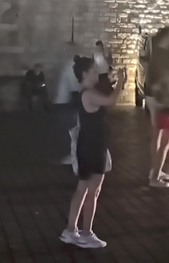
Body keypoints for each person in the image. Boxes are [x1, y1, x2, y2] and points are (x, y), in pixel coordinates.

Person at [59, 56, 127, 250]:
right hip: (93, 146)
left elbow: (107, 95)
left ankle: (71, 230)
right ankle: (86, 233)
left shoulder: (87, 92)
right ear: (86, 74)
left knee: (83, 188)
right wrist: (121, 82)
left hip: (89, 144)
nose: (98, 74)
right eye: (95, 71)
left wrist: (116, 82)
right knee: (92, 191)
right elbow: (111, 101)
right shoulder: (88, 94)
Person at [145, 27, 169, 188]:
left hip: (160, 99)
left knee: (160, 137)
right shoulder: (163, 56)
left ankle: (156, 170)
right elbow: (165, 79)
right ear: (164, 38)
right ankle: (155, 172)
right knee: (160, 137)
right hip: (162, 100)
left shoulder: (159, 54)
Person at [53, 45, 82, 165]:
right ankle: (70, 155)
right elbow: (75, 90)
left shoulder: (68, 66)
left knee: (67, 130)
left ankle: (70, 155)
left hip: (64, 102)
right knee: (68, 130)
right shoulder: (71, 67)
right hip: (66, 103)